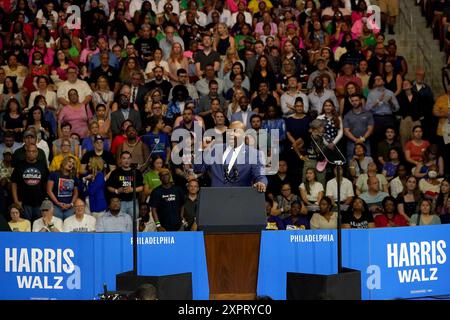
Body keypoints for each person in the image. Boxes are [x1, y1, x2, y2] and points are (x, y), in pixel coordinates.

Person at [193, 121, 267, 191]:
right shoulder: (215, 149)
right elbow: (198, 169)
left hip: (239, 199)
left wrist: (261, 182)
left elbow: (260, 175)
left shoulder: (254, 154)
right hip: (216, 198)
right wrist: (202, 150)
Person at [11, 144, 49, 222]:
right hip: (24, 203)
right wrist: (16, 200)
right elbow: (14, 183)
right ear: (26, 152)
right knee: (25, 227)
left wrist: (46, 199)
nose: (31, 153)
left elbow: (46, 183)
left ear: (37, 153)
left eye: (33, 151)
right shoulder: (19, 165)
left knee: (37, 227)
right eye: (29, 151)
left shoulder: (42, 165)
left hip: (39, 202)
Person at [106, 151, 144, 216]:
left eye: (128, 158)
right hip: (120, 202)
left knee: (133, 223)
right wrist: (117, 191)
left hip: (133, 202)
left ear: (131, 160)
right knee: (120, 222)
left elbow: (141, 187)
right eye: (124, 158)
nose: (126, 161)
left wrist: (132, 190)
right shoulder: (115, 172)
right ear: (120, 160)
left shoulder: (136, 172)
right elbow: (108, 187)